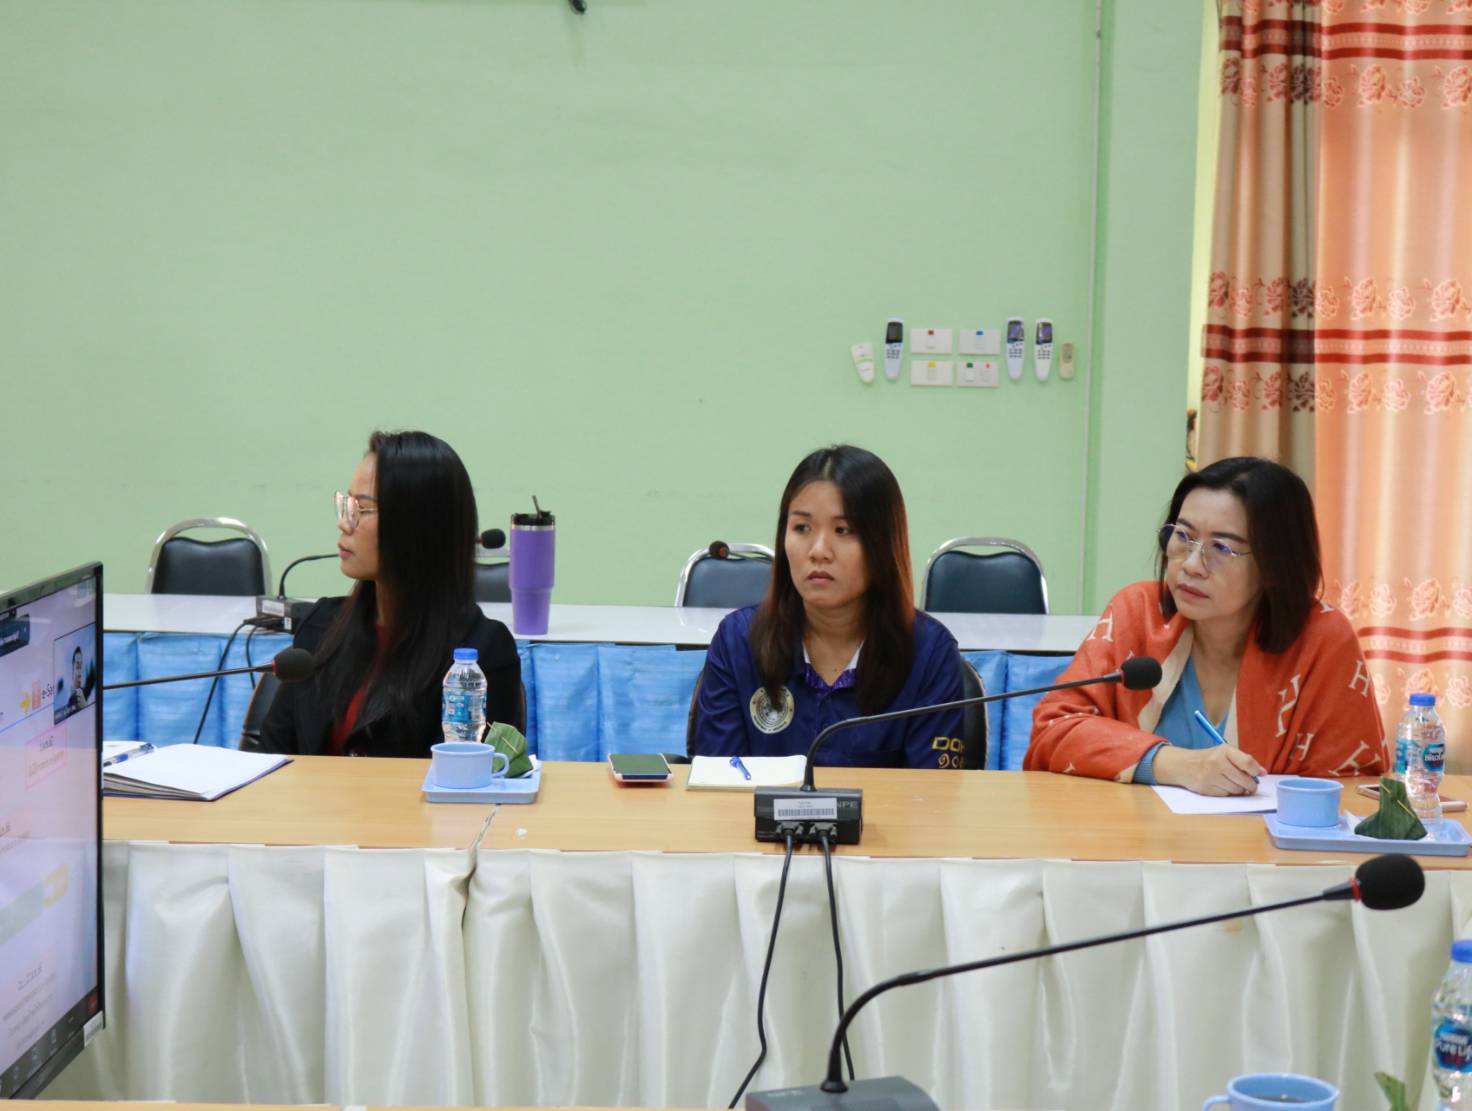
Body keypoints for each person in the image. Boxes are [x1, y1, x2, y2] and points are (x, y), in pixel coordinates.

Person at [1025, 456, 1386, 795]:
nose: (1192, 565)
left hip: (1262, 841)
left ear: (1275, 564)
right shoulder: (1138, 611)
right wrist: (1174, 764)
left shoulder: (1322, 639)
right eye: (1183, 536)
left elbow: (1354, 786)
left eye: (1222, 548)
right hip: (1132, 834)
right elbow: (1054, 729)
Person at [692, 444, 966, 768]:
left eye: (843, 530)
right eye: (802, 528)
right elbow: (717, 781)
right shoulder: (738, 641)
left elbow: (932, 792)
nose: (819, 551)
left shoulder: (929, 653)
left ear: (883, 544)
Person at [261, 430, 521, 757]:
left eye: (362, 508)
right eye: (346, 505)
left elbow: (477, 776)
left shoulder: (481, 653)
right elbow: (270, 757)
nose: (344, 524)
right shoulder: (321, 627)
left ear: (417, 525)